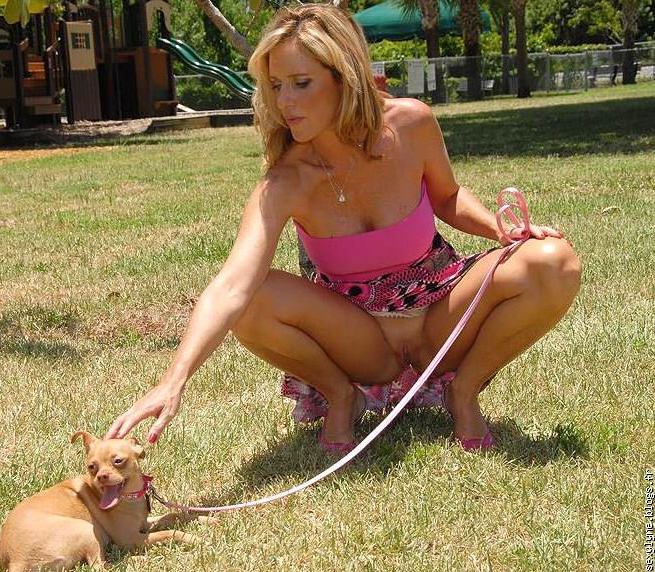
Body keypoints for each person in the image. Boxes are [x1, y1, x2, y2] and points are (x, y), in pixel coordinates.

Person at [106, 5, 581, 454]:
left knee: (553, 260)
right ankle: (340, 395)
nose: (284, 101)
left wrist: (501, 230)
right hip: (359, 340)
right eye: (276, 85)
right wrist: (174, 380)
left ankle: (464, 390)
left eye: (301, 83)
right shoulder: (286, 181)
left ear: (344, 77)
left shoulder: (410, 123)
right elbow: (232, 285)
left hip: (440, 309)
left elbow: (447, 197)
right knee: (249, 300)